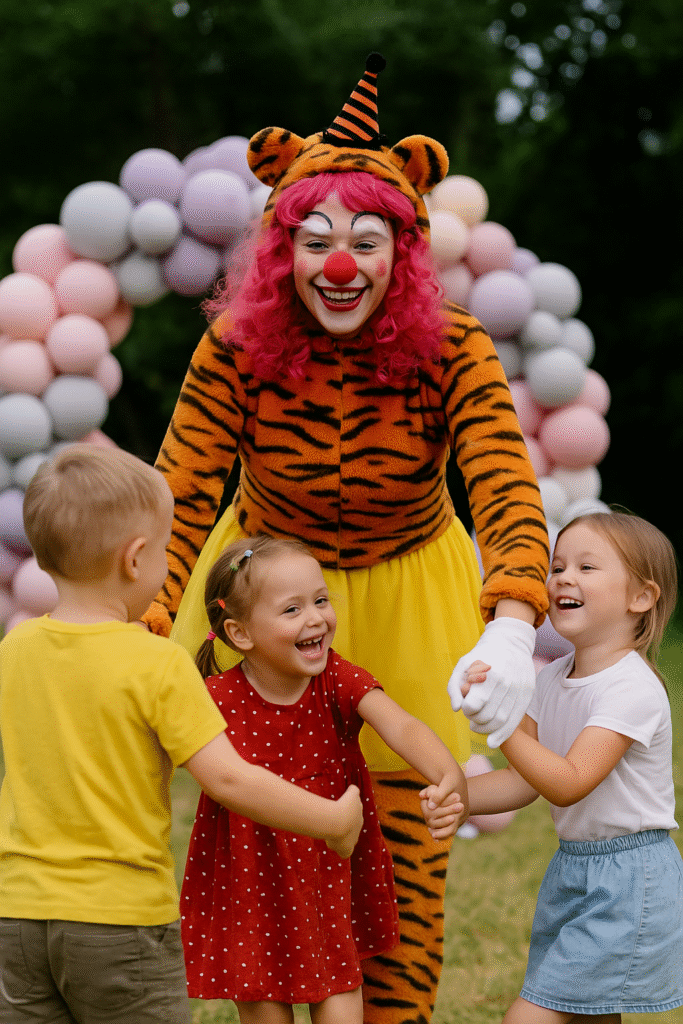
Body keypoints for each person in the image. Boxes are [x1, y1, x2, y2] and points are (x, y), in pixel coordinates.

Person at [144, 54, 549, 1022]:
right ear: (278, 249)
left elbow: (501, 482)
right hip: (263, 593)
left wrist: (509, 615)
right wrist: (146, 616)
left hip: (410, 590)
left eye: (365, 242)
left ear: (400, 253)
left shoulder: (456, 345)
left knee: (403, 840)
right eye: (315, 239)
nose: (339, 265)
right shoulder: (233, 347)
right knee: (270, 837)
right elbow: (183, 488)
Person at [0, 445, 363, 1024]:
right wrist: (334, 821)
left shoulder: (14, 648)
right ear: (135, 559)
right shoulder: (155, 663)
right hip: (118, 921)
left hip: (16, 917)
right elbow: (227, 777)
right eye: (166, 551)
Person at [181, 533, 468, 1024]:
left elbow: (400, 724)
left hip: (326, 873)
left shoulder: (336, 678)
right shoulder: (215, 697)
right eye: (292, 610)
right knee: (266, 1009)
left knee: (339, 990)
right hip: (251, 880)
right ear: (240, 633)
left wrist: (447, 773)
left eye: (320, 601)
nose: (316, 618)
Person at [465, 511, 683, 1023]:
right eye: (558, 565)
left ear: (641, 598)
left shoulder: (631, 689)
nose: (563, 577)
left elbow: (567, 783)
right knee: (586, 1015)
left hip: (630, 880)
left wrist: (499, 722)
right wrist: (456, 793)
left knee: (534, 1014)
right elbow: (524, 781)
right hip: (576, 869)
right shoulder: (552, 678)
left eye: (587, 567)